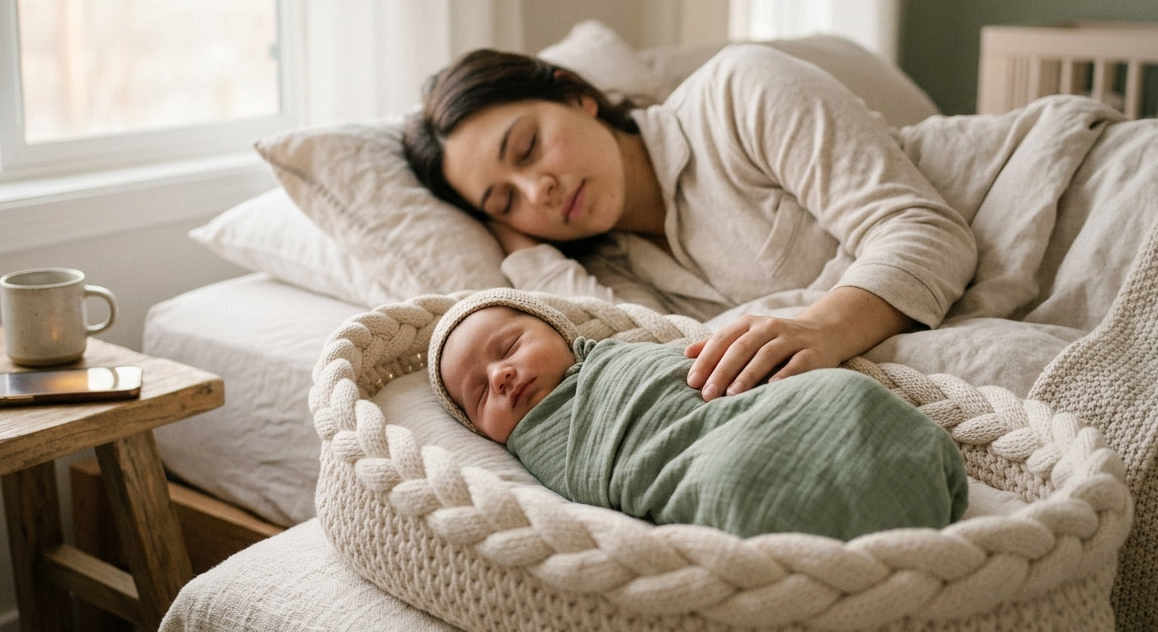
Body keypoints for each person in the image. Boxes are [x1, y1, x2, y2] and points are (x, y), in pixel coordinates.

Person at [403, 43, 979, 403]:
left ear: (576, 96)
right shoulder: (613, 273)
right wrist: (526, 251)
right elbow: (648, 362)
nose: (538, 191)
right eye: (506, 201)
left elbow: (927, 232)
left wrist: (823, 328)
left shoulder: (737, 92)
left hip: (1018, 204)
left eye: (528, 147)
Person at [427, 288, 969, 541]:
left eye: (509, 346)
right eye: (479, 394)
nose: (501, 375)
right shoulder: (539, 447)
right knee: (731, 481)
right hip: (721, 466)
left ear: (560, 333)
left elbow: (710, 378)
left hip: (764, 414)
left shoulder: (619, 357)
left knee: (843, 396)